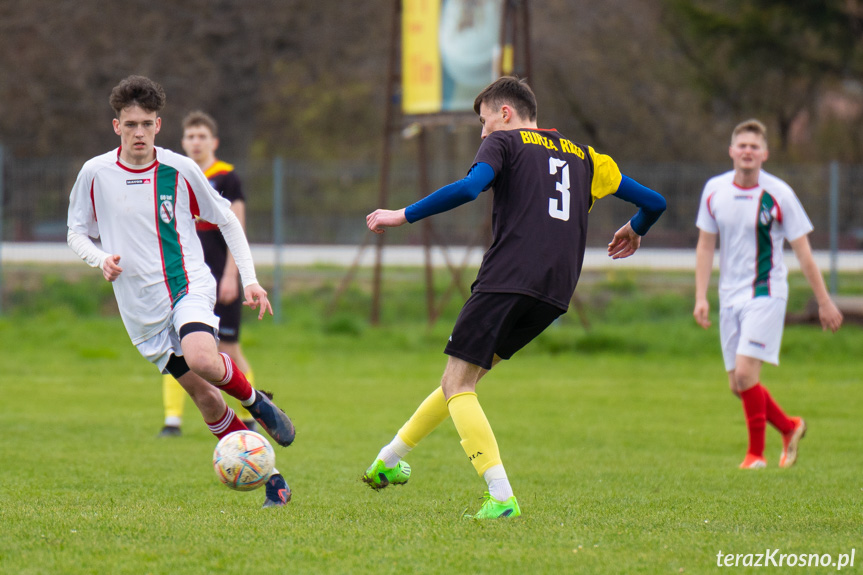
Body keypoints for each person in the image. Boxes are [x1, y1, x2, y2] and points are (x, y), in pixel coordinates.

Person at [362, 76, 667, 519]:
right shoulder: (587, 157)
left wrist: (401, 215)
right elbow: (655, 202)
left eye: (485, 122)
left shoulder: (504, 143)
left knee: (458, 384)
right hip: (555, 291)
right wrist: (635, 228)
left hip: (507, 277)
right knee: (460, 380)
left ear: (505, 114)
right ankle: (386, 462)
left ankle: (501, 496)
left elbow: (469, 188)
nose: (483, 133)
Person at [66, 75, 295, 508]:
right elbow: (76, 232)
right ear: (116, 126)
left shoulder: (179, 168)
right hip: (139, 309)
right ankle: (273, 480)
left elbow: (227, 219)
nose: (139, 133)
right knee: (207, 400)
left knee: (204, 359)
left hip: (186, 283)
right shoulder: (95, 173)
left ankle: (256, 401)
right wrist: (100, 259)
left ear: (158, 125)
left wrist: (249, 279)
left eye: (147, 124)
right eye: (130, 124)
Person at [694, 119, 843, 470]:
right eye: (742, 145)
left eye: (754, 146)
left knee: (746, 374)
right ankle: (790, 427)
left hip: (767, 291)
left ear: (765, 154)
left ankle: (755, 456)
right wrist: (700, 296)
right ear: (732, 151)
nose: (748, 151)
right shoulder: (714, 190)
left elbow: (803, 251)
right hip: (729, 295)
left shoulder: (780, 194)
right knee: (737, 384)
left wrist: (824, 301)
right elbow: (704, 245)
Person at [158, 111, 257, 438]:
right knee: (178, 348)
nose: (196, 142)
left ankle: (251, 413)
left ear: (213, 142)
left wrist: (232, 276)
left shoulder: (227, 177)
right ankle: (173, 420)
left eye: (202, 136)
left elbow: (236, 226)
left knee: (226, 347)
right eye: (190, 137)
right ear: (183, 142)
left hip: (220, 277)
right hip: (184, 281)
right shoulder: (172, 174)